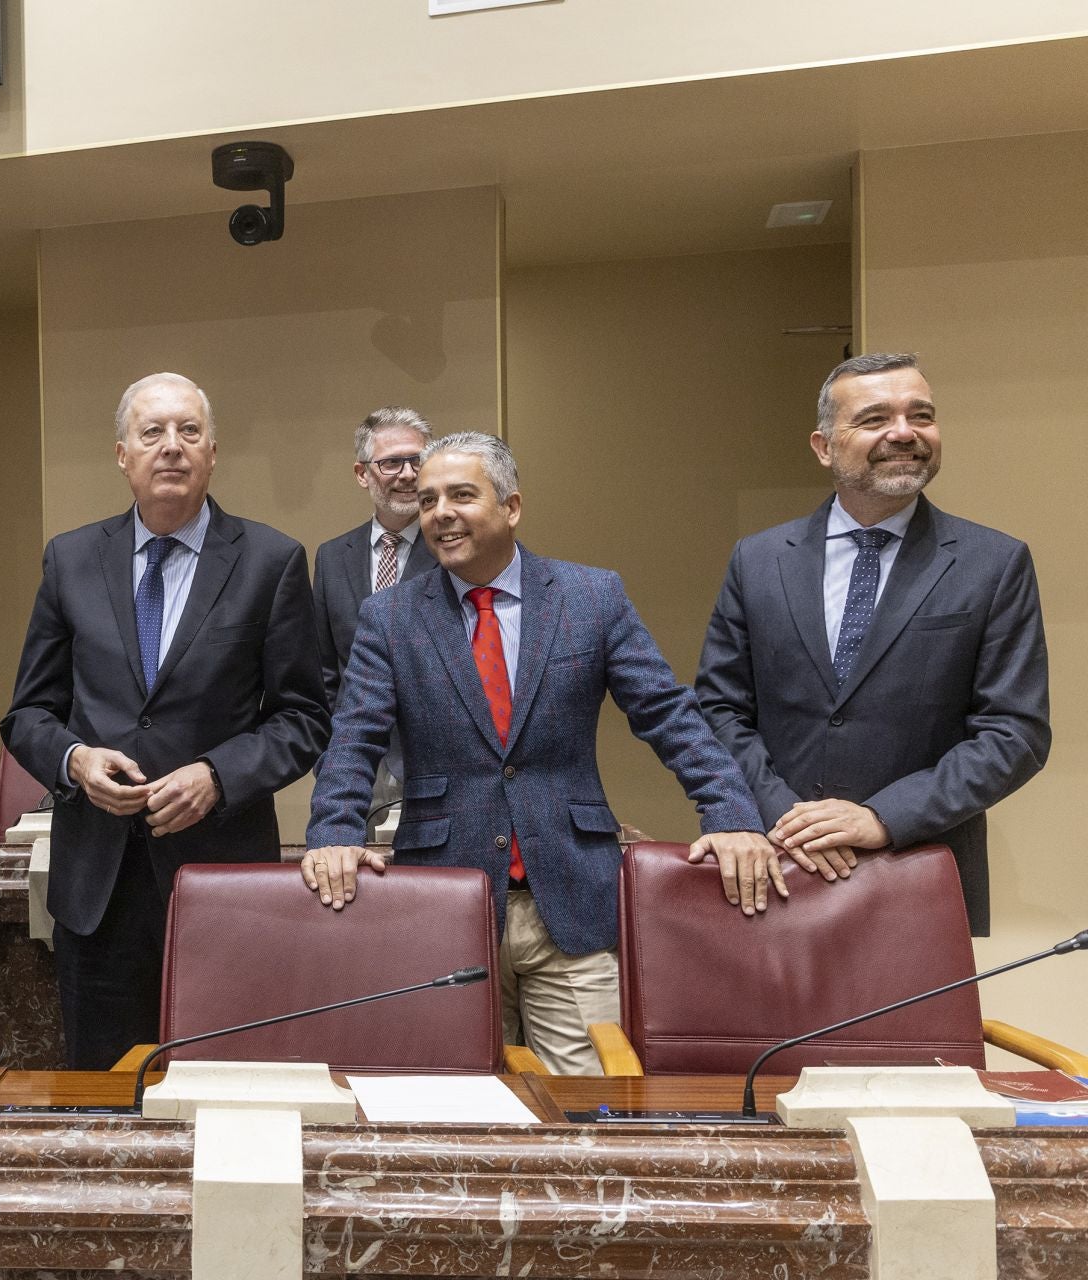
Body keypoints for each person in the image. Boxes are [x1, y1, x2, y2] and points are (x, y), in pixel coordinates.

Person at [302, 433, 773, 1075]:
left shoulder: (592, 597)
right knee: (450, 1101)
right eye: (431, 498)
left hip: (573, 897)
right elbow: (354, 737)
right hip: (449, 897)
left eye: (462, 495)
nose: (440, 512)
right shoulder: (390, 617)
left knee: (588, 1106)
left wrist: (732, 815)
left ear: (512, 506)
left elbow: (667, 713)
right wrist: (333, 831)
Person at [3, 372, 329, 1069]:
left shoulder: (270, 562)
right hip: (98, 885)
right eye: (152, 433)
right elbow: (29, 712)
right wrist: (76, 761)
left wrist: (218, 773)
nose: (171, 447)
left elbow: (304, 716)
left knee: (224, 1087)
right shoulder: (71, 559)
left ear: (213, 452)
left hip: (220, 876)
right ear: (123, 454)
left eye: (188, 432)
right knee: (104, 1096)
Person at [696, 353, 1049, 935]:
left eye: (922, 416)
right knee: (778, 1032)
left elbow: (1016, 733)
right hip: (774, 870)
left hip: (920, 873)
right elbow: (718, 708)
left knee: (911, 1033)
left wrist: (882, 817)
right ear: (824, 446)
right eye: (875, 418)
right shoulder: (758, 561)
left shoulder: (994, 563)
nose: (905, 433)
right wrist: (787, 816)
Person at [310, 406, 435, 817]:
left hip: (437, 764)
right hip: (356, 765)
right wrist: (329, 755)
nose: (407, 474)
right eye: (391, 463)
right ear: (363, 474)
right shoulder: (332, 557)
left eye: (417, 460)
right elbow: (324, 671)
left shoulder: (454, 550)